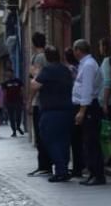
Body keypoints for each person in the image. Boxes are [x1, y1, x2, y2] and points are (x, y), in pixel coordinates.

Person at [28, 46, 75, 183]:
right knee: (64, 141)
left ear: (47, 58)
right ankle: (64, 168)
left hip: (51, 111)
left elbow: (34, 86)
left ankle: (60, 171)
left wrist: (34, 74)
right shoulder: (65, 69)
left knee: (50, 139)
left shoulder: (48, 70)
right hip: (67, 110)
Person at [71, 39, 105, 185]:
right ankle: (92, 172)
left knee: (91, 141)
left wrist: (82, 111)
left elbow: (87, 89)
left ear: (78, 50)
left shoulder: (89, 65)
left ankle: (97, 174)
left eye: (74, 50)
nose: (74, 53)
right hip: (86, 107)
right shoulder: (84, 64)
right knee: (87, 141)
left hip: (89, 107)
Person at [27, 32, 52, 176]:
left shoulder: (38, 58)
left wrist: (30, 101)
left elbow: (35, 80)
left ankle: (44, 165)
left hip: (39, 102)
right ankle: (46, 164)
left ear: (33, 43)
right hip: (45, 101)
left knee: (40, 134)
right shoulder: (47, 56)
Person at [64, 46, 85, 178]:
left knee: (75, 138)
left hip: (74, 105)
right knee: (80, 138)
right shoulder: (81, 67)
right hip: (81, 104)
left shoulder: (70, 70)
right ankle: (81, 165)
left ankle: (78, 167)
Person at [97, 37, 111, 167]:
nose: (99, 49)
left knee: (105, 133)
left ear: (104, 47)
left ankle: (109, 156)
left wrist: (104, 103)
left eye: (100, 46)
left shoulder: (106, 62)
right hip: (105, 102)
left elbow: (108, 83)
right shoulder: (106, 61)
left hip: (106, 103)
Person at [2, 68, 25, 136]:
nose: (9, 75)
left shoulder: (18, 81)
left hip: (18, 101)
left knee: (18, 115)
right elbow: (4, 92)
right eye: (7, 73)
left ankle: (18, 126)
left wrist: (24, 99)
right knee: (11, 117)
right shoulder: (5, 83)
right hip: (9, 102)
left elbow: (22, 90)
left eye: (10, 73)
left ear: (12, 73)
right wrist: (4, 102)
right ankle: (14, 131)